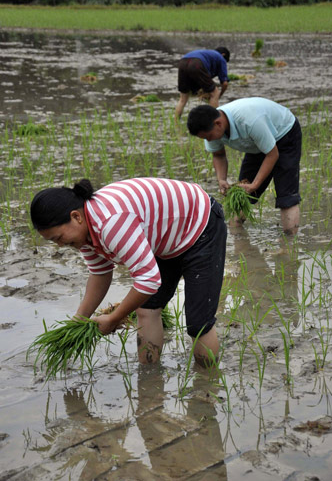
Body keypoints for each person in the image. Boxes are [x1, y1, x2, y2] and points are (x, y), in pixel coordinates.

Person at [30, 177, 227, 367]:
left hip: (200, 224)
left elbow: (148, 281)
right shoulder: (84, 233)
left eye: (59, 237)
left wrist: (114, 318)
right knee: (147, 308)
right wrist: (78, 320)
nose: (60, 245)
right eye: (54, 241)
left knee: (198, 323)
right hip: (166, 235)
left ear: (76, 216)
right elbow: (100, 273)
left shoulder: (111, 223)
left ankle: (207, 389)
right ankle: (150, 383)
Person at [187, 97, 302, 235]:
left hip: (285, 133)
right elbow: (218, 155)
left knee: (286, 194)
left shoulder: (250, 121)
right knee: (241, 192)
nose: (208, 141)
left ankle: (289, 246)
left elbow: (272, 154)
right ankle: (237, 238)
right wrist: (221, 179)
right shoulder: (212, 129)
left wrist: (255, 184)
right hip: (256, 143)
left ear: (218, 123)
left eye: (209, 137)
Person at [175, 47, 230, 120]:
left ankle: (176, 123)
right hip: (196, 63)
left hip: (182, 63)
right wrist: (219, 95)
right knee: (215, 93)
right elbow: (225, 84)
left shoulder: (207, 54)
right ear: (223, 55)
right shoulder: (220, 57)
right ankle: (214, 121)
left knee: (183, 99)